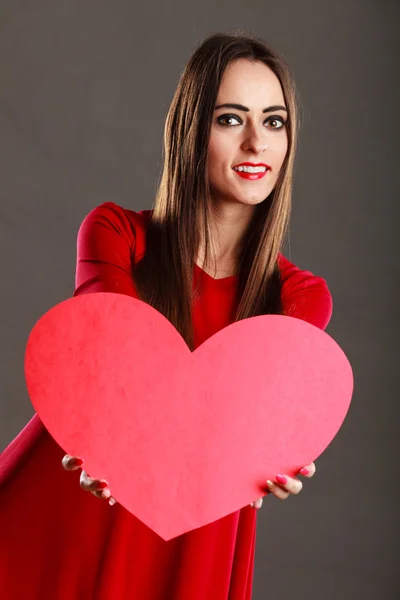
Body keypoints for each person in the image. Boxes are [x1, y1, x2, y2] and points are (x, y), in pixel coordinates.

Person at [0, 33, 332, 599]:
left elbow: (250, 423)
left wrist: (281, 447)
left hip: (194, 536)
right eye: (231, 119)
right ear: (190, 131)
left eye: (274, 122)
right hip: (61, 510)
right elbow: (115, 356)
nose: (257, 143)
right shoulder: (114, 234)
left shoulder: (300, 297)